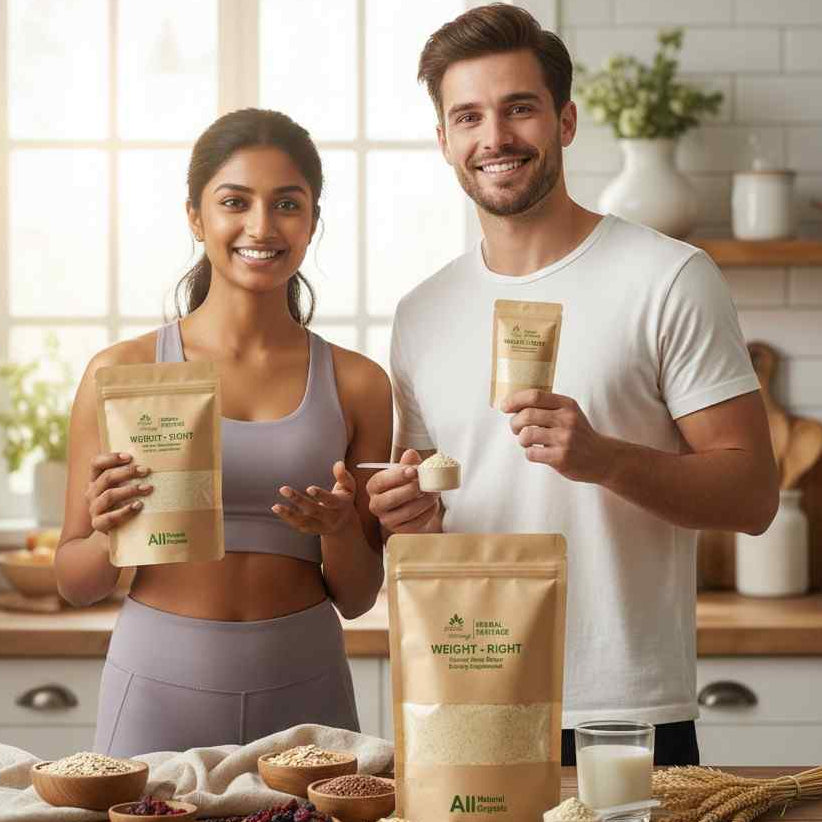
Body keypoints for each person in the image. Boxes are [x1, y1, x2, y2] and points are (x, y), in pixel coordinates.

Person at [365, 5, 778, 766]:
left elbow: (753, 494)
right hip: (465, 697)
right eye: (468, 117)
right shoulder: (421, 313)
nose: (494, 138)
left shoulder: (668, 278)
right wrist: (405, 513)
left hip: (623, 713)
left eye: (519, 108)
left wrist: (604, 459)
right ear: (445, 141)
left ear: (565, 121)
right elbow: (429, 521)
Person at [55, 108, 392, 757]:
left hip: (307, 684)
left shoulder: (358, 384)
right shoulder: (120, 373)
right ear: (195, 216)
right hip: (158, 685)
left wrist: (343, 527)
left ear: (313, 220)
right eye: (234, 201)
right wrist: (107, 529)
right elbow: (76, 581)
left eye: (287, 204)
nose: (261, 227)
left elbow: (357, 596)